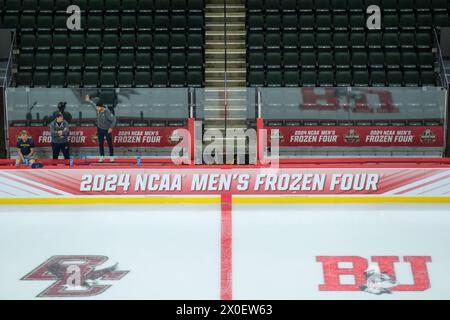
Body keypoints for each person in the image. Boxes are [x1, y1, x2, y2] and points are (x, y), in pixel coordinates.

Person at [84, 94, 116, 162]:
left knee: (110, 143)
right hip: (100, 129)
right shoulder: (98, 109)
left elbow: (114, 120)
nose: (97, 109)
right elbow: (93, 104)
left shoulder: (107, 112)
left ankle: (111, 157)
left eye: (98, 107)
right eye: (97, 107)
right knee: (100, 143)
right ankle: (102, 157)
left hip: (107, 130)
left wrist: (111, 128)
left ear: (102, 107)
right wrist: (89, 100)